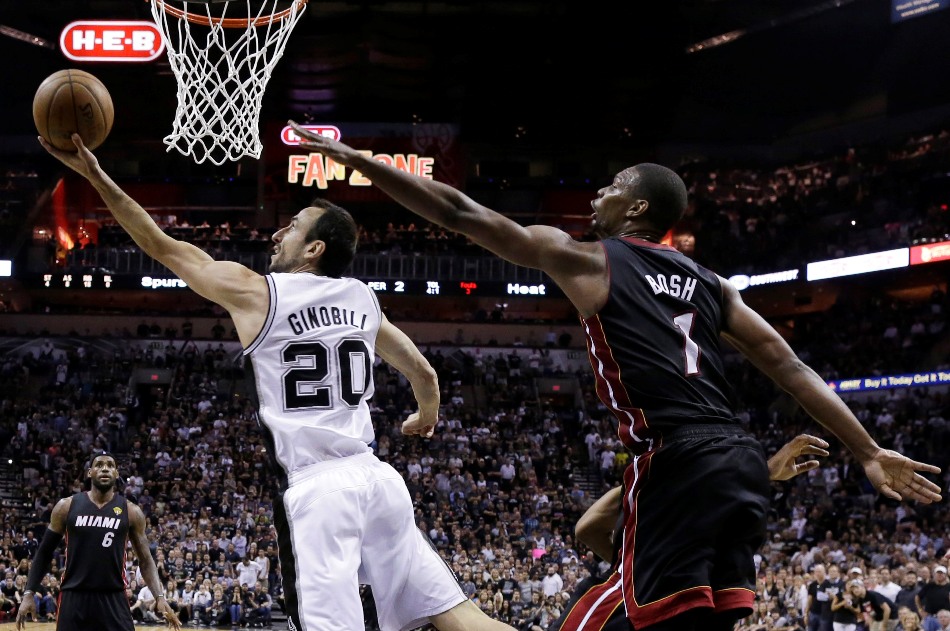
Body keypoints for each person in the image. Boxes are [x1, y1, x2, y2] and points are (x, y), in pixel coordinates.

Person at [290, 122, 944, 631]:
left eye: (610, 188)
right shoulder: (715, 285)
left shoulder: (590, 259)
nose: (597, 195)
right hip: (738, 463)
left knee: (592, 614)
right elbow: (791, 366)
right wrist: (868, 450)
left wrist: (358, 160)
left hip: (675, 460)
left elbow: (461, 214)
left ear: (636, 208)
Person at [39, 133, 516, 631]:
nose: (277, 234)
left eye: (292, 227)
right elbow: (424, 372)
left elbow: (161, 245)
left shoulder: (259, 294)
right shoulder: (362, 298)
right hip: (379, 481)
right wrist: (426, 416)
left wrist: (95, 175)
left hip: (318, 491)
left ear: (314, 248)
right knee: (460, 616)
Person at [550, 433, 832, 631]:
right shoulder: (703, 512)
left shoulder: (659, 492)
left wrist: (633, 569)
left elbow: (587, 528)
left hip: (636, 603)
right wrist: (763, 472)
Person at [14, 451, 181, 631]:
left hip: (113, 596)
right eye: (99, 465)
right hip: (74, 596)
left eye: (110, 465)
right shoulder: (66, 506)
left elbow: (146, 560)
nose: (105, 469)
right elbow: (44, 553)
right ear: (89, 472)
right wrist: (29, 592)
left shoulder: (132, 511)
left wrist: (159, 597)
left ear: (116, 474)